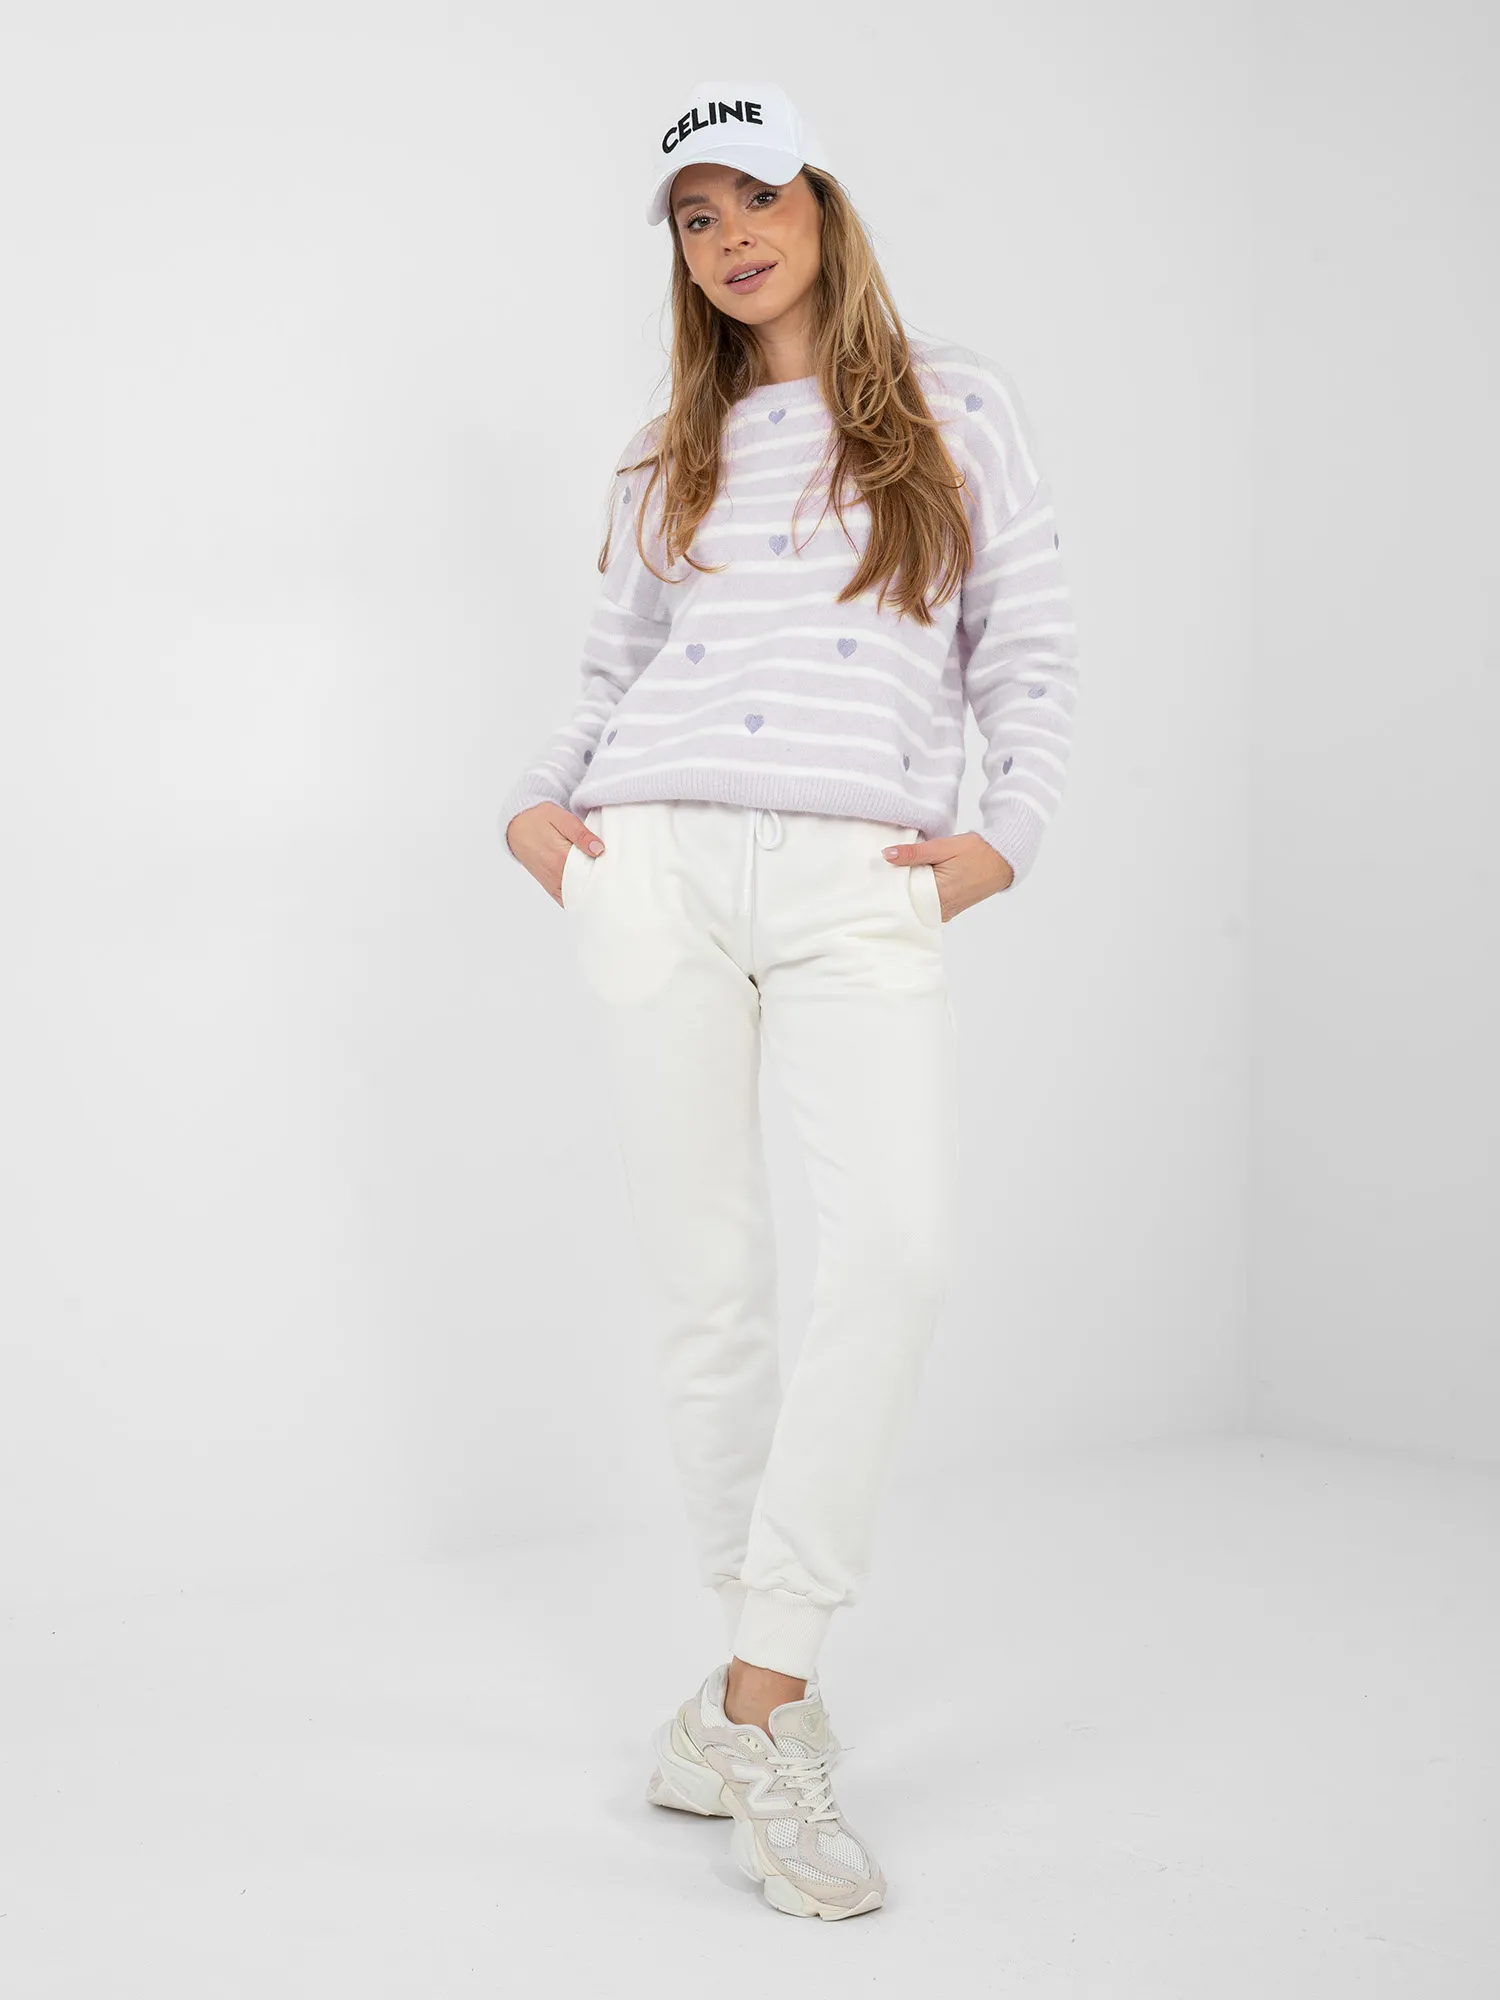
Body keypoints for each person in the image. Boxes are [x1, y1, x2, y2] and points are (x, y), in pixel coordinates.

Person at [499, 78, 1080, 1920]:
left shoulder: (955, 407)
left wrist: (1006, 839)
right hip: (656, 863)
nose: (732, 236)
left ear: (823, 203)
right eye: (696, 214)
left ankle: (757, 1697)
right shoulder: (662, 453)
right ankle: (759, 1717)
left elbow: (1029, 645)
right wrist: (544, 817)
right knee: (713, 1289)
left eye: (758, 196)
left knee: (897, 1252)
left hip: (858, 880)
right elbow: (610, 670)